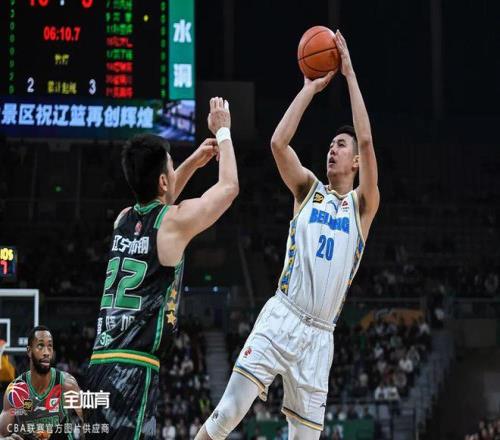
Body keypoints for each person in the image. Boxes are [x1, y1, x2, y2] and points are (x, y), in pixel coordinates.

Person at [195, 31, 379, 440]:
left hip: (321, 337)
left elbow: (366, 140)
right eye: (330, 144)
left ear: (356, 162)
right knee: (227, 413)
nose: (332, 149)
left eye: (340, 145)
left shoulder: (363, 207)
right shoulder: (308, 189)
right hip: (283, 316)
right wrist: (309, 88)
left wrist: (349, 74)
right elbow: (279, 143)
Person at [85, 97, 238, 439]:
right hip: (132, 370)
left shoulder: (123, 219)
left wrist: (193, 162)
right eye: (171, 166)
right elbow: (229, 189)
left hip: (99, 362)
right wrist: (223, 131)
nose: (174, 170)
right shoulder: (172, 223)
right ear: (164, 181)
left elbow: (159, 198)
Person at [0, 326, 83, 440]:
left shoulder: (66, 383)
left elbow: (89, 421)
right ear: (29, 351)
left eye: (50, 346)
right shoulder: (15, 390)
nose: (46, 352)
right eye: (40, 346)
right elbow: (1, 433)